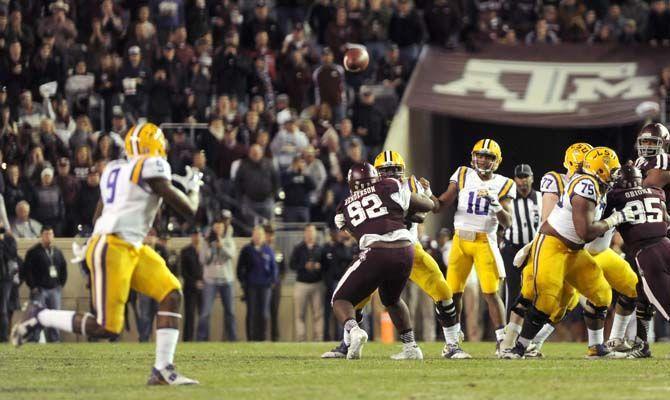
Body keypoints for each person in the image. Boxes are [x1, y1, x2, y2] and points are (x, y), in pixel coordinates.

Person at [11, 122, 201, 385]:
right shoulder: (151, 166)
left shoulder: (115, 168)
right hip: (114, 247)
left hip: (127, 245)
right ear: (153, 145)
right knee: (107, 327)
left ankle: (162, 369)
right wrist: (195, 188)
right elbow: (189, 211)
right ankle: (39, 315)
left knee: (170, 292)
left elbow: (99, 211)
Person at [503, 147, 633, 359]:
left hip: (574, 251)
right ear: (600, 170)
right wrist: (614, 219)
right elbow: (585, 232)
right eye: (614, 169)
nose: (616, 174)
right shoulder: (585, 186)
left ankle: (596, 347)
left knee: (601, 293)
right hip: (552, 245)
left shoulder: (598, 186)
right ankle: (519, 347)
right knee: (547, 298)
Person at [331, 162, 434, 360]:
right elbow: (426, 206)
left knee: (340, 299)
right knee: (392, 299)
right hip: (405, 249)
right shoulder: (390, 185)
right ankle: (411, 346)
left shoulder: (343, 208)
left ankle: (354, 331)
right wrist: (420, 203)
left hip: (376, 250)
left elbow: (360, 235)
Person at [429, 139, 516, 355]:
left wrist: (495, 203)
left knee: (490, 292)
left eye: (489, 156)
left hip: (485, 240)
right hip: (460, 240)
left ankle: (501, 341)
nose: (483, 160)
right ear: (473, 156)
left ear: (497, 161)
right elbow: (440, 205)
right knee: (452, 293)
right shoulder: (462, 174)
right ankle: (452, 341)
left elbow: (508, 222)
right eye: (480, 155)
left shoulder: (504, 183)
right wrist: (427, 193)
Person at [605, 163, 669, 359]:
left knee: (665, 304)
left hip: (649, 254)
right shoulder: (656, 191)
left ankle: (641, 345)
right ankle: (642, 344)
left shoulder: (615, 196)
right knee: (643, 297)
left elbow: (598, 223)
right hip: (666, 243)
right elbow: (665, 218)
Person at [501, 164, 541, 318]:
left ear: (532, 178)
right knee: (512, 290)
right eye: (520, 177)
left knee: (536, 289)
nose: (523, 180)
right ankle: (508, 331)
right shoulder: (507, 200)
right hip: (512, 248)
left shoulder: (541, 198)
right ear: (514, 179)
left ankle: (530, 332)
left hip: (534, 249)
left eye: (526, 176)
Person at [21, 226, 67, 342]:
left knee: (54, 316)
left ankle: (54, 340)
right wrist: (33, 287)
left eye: (51, 234)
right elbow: (27, 270)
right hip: (40, 289)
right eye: (46, 234)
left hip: (54, 289)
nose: (49, 237)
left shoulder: (57, 252)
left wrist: (61, 283)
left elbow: (63, 268)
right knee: (37, 316)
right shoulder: (33, 252)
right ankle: (34, 339)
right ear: (41, 236)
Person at [197, 212, 237, 342]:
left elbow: (232, 255)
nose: (218, 229)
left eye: (221, 227)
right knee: (205, 313)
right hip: (210, 280)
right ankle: (201, 339)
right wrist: (209, 247)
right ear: (213, 228)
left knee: (230, 312)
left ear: (224, 228)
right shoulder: (206, 240)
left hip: (227, 280)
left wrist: (222, 246)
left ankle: (232, 339)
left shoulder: (229, 240)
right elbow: (203, 259)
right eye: (216, 227)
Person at [237, 225, 278, 341]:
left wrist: (272, 280)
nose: (258, 237)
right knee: (251, 313)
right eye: (256, 234)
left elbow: (274, 268)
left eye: (260, 235)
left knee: (264, 313)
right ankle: (251, 338)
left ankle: (262, 338)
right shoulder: (247, 250)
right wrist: (244, 283)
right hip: (251, 286)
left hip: (265, 286)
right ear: (252, 236)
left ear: (264, 236)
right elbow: (240, 269)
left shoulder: (268, 250)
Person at [291, 224, 325, 341]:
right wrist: (304, 266)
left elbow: (327, 266)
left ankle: (318, 337)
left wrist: (319, 266)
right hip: (301, 284)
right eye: (308, 231)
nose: (310, 234)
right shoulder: (298, 248)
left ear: (315, 234)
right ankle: (301, 338)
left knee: (318, 313)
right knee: (299, 314)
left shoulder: (320, 248)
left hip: (317, 283)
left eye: (312, 231)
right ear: (305, 233)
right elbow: (292, 265)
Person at [321, 228, 356, 341]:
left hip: (353, 283)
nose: (342, 234)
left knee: (356, 312)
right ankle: (339, 337)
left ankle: (353, 336)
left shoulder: (356, 246)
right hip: (336, 282)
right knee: (339, 311)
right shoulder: (335, 247)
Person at [180, 228, 203, 342]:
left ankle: (202, 339)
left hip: (204, 287)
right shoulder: (185, 251)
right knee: (190, 315)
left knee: (203, 315)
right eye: (194, 235)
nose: (196, 237)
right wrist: (194, 282)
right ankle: (188, 339)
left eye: (198, 235)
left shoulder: (205, 249)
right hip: (190, 288)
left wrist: (203, 282)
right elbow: (183, 272)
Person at [264, 224, 286, 342]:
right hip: (262, 286)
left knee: (274, 312)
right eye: (267, 234)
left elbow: (283, 269)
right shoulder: (259, 250)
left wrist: (277, 280)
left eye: (271, 235)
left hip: (275, 286)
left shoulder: (277, 251)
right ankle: (260, 337)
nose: (269, 237)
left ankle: (274, 337)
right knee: (262, 313)